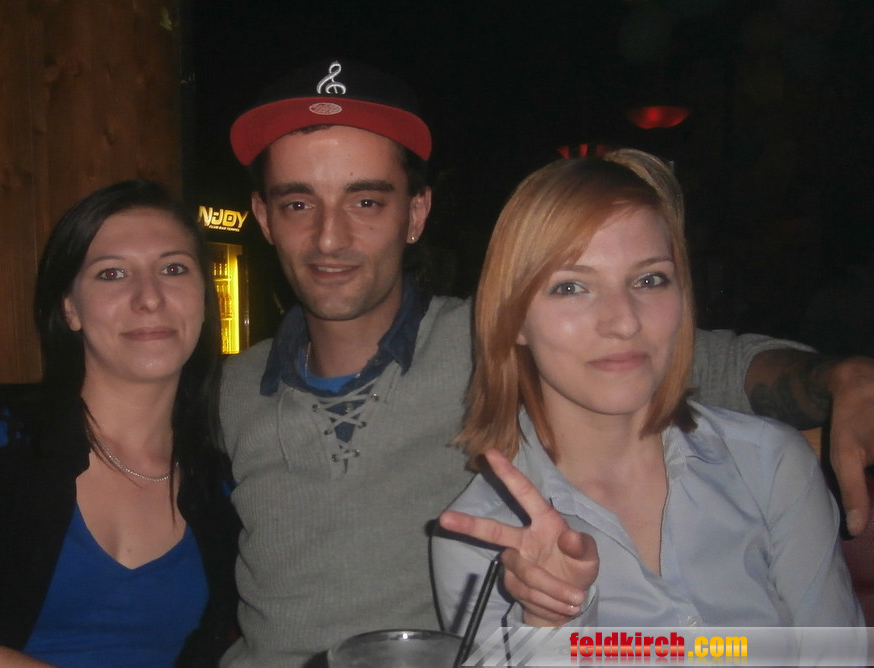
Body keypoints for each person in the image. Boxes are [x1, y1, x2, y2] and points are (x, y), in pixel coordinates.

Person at [219, 58, 874, 667]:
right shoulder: (226, 390)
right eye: (298, 203)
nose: (330, 236)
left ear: (415, 214)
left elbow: (693, 357)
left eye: (366, 201)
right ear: (264, 219)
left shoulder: (496, 336)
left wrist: (833, 379)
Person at [431, 150, 864, 652]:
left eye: (649, 280)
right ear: (513, 320)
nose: (624, 321)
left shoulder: (769, 464)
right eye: (571, 287)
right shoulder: (483, 537)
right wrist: (549, 623)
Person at [0, 180, 239, 667]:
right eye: (112, 274)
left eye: (173, 269)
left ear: (204, 299)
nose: (149, 298)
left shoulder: (228, 470)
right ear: (70, 308)